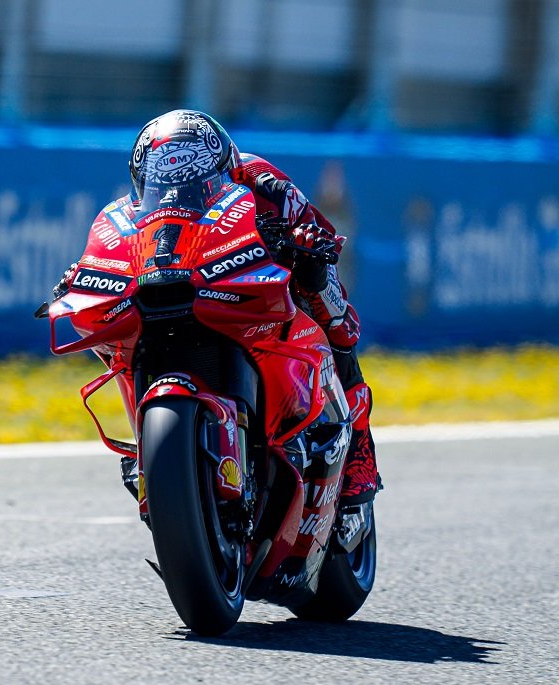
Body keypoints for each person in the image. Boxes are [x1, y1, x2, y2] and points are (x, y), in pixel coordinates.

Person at [66, 109, 380, 508]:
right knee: (115, 330)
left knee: (335, 318)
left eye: (193, 182)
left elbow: (320, 234)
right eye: (164, 182)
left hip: (258, 276)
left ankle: (360, 448)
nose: (178, 192)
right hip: (183, 283)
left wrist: (307, 246)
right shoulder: (128, 212)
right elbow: (111, 253)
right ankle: (149, 450)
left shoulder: (266, 184)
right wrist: (81, 278)